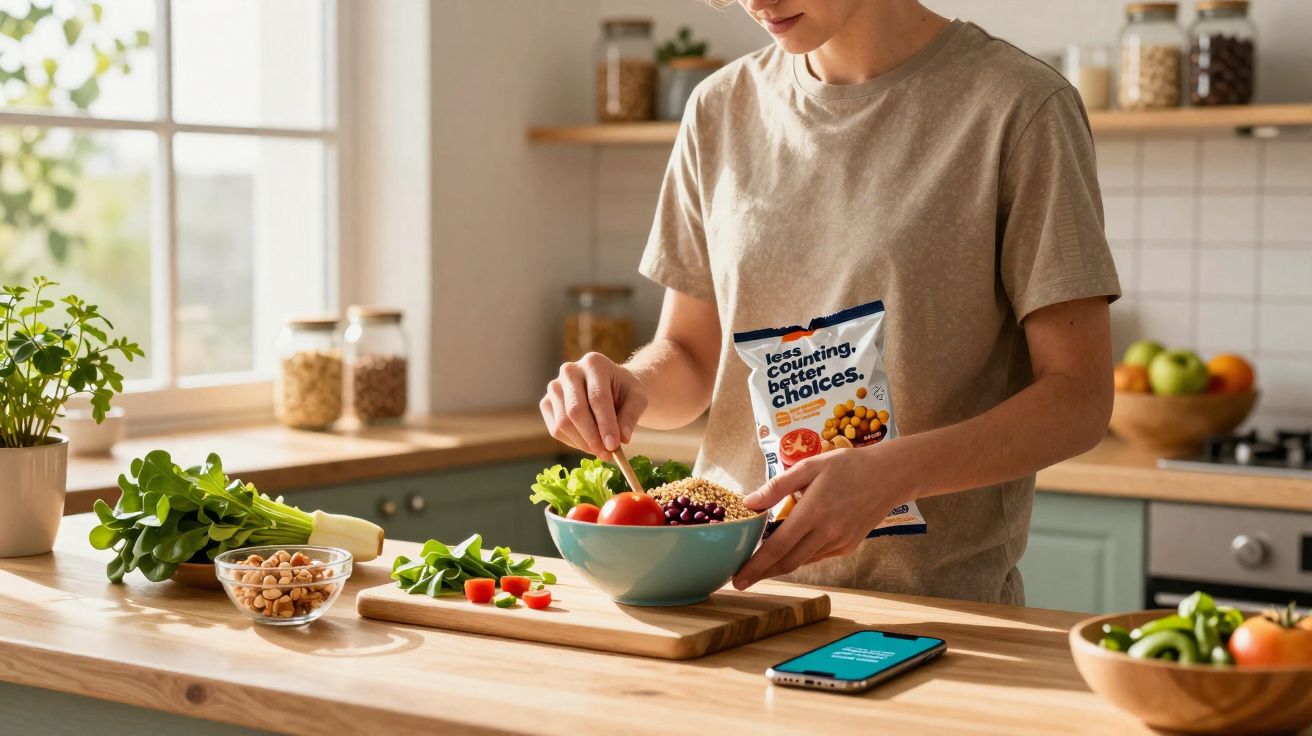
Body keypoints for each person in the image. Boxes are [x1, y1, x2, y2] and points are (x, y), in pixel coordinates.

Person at [539, 0, 1119, 605]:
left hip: (930, 613)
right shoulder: (719, 108)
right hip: (728, 597)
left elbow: (1078, 397)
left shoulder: (1020, 106)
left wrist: (892, 472)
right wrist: (629, 387)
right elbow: (689, 353)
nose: (757, 1)